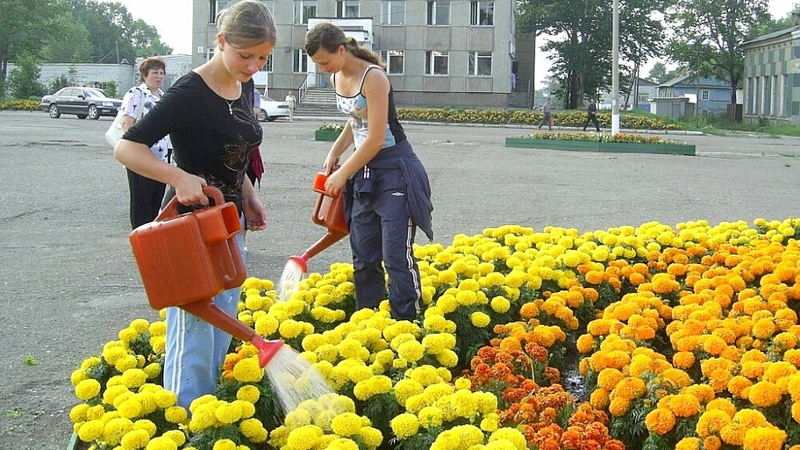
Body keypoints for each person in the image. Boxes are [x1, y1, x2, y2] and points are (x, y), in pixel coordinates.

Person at [113, 0, 273, 408]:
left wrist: (250, 196)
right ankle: (185, 417)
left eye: (262, 57)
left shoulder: (244, 83)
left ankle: (210, 408)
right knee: (196, 324)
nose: (253, 65)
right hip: (189, 224)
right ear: (220, 42)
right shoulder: (189, 92)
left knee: (224, 318)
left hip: (228, 219)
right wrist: (178, 177)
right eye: (245, 55)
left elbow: (234, 150)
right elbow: (128, 148)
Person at [305, 23, 433, 322]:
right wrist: (335, 152)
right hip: (364, 172)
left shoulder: (373, 78)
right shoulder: (338, 75)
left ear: (341, 50)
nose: (322, 69)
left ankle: (407, 322)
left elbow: (376, 138)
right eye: (317, 64)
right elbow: (354, 120)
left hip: (395, 168)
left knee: (395, 256)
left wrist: (343, 173)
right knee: (364, 256)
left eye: (324, 62)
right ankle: (369, 323)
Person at [120, 57, 170, 229]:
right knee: (141, 202)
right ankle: (140, 239)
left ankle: (151, 239)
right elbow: (127, 123)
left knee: (156, 202)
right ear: (145, 74)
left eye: (161, 73)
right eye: (155, 72)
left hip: (160, 160)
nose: (159, 76)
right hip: (140, 158)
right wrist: (133, 151)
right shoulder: (137, 93)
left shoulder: (164, 98)